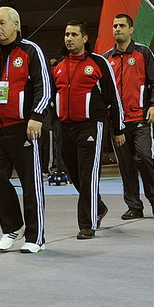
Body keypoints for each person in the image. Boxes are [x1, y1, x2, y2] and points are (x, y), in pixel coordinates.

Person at [0, 7, 51, 253]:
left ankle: (35, 236)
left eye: (2, 23)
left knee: (31, 184)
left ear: (16, 24)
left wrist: (37, 116)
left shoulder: (31, 51)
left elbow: (44, 86)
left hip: (24, 129)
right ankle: (12, 226)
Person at [51, 21, 125, 239]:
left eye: (74, 34)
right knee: (74, 174)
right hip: (65, 127)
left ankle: (87, 223)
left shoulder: (99, 63)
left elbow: (113, 98)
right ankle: (99, 207)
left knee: (88, 175)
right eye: (66, 34)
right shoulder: (57, 66)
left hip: (92, 125)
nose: (69, 39)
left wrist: (118, 129)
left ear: (84, 38)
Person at [103, 14, 154, 220]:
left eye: (122, 25)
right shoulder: (106, 59)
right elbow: (102, 92)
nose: (117, 29)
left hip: (140, 119)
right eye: (115, 26)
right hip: (117, 124)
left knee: (145, 157)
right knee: (126, 165)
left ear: (131, 30)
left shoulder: (143, 53)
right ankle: (134, 206)